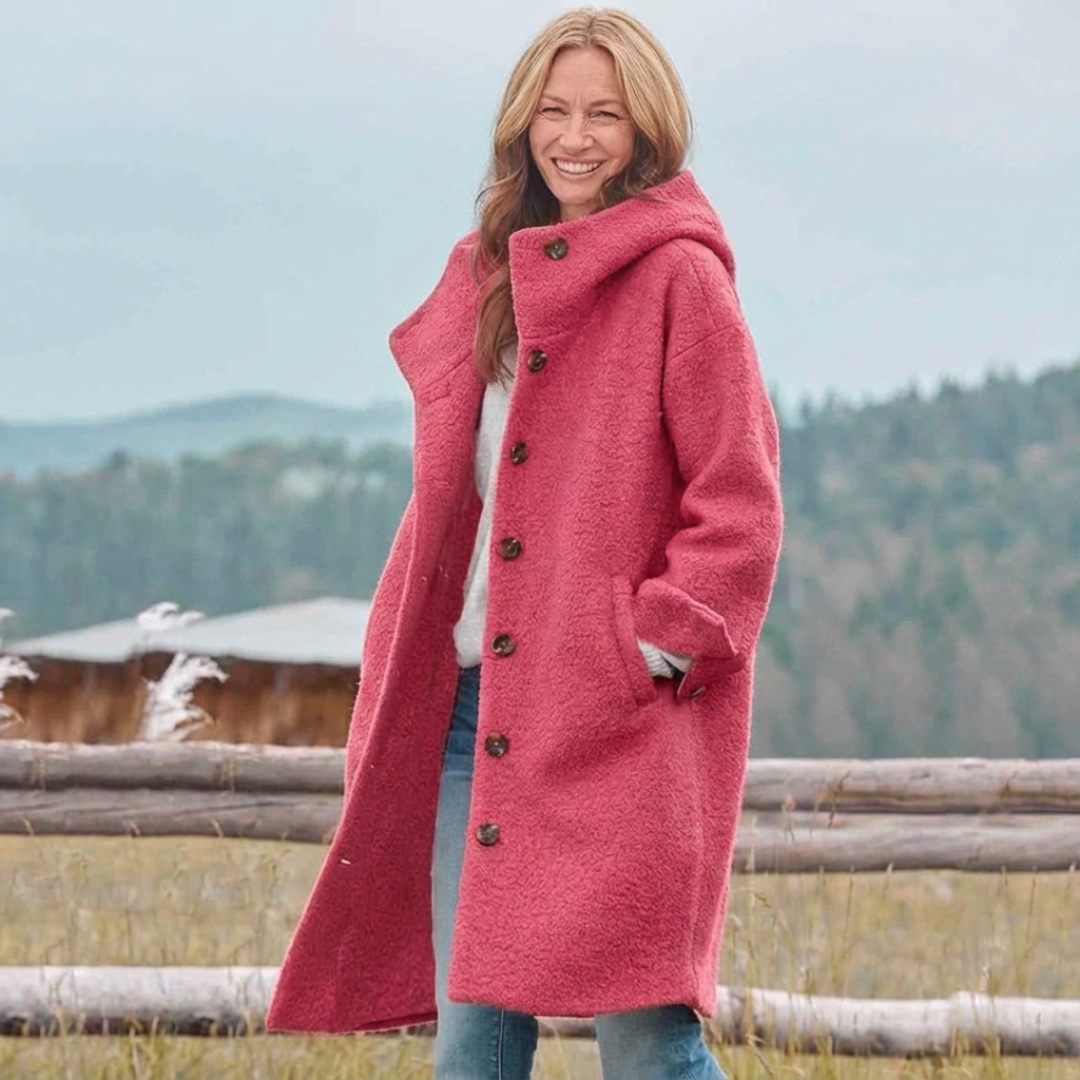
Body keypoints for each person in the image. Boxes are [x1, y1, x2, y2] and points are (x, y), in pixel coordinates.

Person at [267, 8, 783, 1079]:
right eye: (554, 110)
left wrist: (644, 652)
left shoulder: (680, 279)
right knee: (473, 1042)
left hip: (617, 724)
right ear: (520, 123)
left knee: (645, 1042)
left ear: (647, 129)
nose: (576, 137)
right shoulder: (492, 276)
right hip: (474, 713)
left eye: (605, 114)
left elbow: (739, 503)